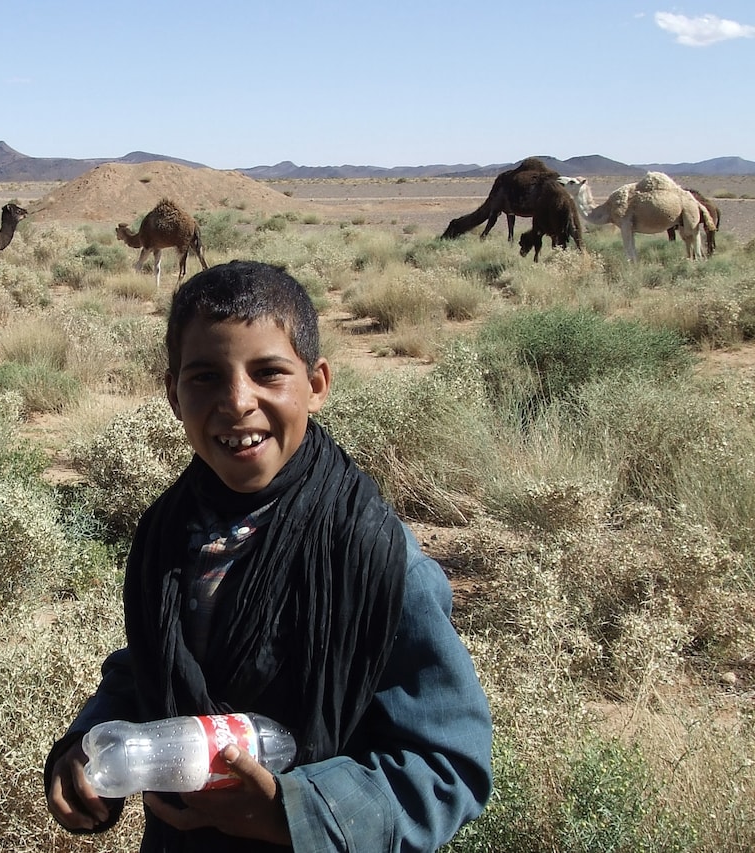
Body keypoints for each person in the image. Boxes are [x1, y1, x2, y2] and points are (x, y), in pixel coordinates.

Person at [44, 260, 492, 852]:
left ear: (317, 384)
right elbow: (155, 659)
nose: (237, 402)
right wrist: (91, 747)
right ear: (172, 395)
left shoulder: (372, 558)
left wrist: (292, 813)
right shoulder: (168, 532)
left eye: (269, 373)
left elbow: (447, 767)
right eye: (204, 377)